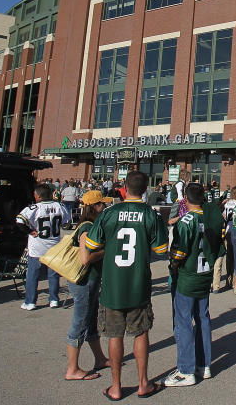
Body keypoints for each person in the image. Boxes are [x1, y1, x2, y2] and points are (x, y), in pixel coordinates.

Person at [82, 170, 168, 400]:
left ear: (124, 188)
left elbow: (90, 243)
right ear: (145, 190)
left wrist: (110, 246)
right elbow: (161, 250)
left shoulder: (109, 213)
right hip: (138, 283)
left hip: (112, 283)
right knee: (141, 333)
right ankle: (143, 383)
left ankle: (116, 386)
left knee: (114, 335)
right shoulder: (151, 215)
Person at [164, 183, 225, 387]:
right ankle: (204, 365)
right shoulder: (211, 218)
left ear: (186, 199)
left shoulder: (186, 220)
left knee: (183, 322)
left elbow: (179, 252)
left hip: (187, 276)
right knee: (203, 318)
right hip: (204, 273)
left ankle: (186, 370)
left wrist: (173, 266)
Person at [64, 190, 110, 382]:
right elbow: (85, 258)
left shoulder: (91, 225)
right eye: (102, 204)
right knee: (81, 321)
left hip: (90, 279)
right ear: (94, 207)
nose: (105, 207)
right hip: (84, 280)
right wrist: (106, 251)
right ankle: (72, 368)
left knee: (90, 319)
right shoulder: (87, 227)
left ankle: (99, 358)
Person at [16, 183, 70, 309]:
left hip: (37, 247)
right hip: (54, 245)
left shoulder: (34, 208)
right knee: (53, 275)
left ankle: (30, 301)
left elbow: (19, 220)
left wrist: (30, 231)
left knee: (33, 275)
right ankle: (54, 299)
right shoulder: (60, 206)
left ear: (38, 196)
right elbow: (66, 221)